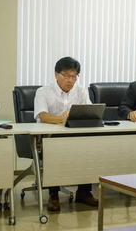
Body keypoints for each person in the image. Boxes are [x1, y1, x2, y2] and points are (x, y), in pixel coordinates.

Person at [34, 56, 99, 212]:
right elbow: (42, 115)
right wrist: (61, 119)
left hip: (75, 135)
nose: (70, 80)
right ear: (56, 74)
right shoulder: (43, 91)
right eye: (66, 75)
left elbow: (89, 112)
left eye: (74, 76)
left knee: (89, 147)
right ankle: (53, 194)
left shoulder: (81, 91)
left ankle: (84, 192)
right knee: (55, 148)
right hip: (50, 138)